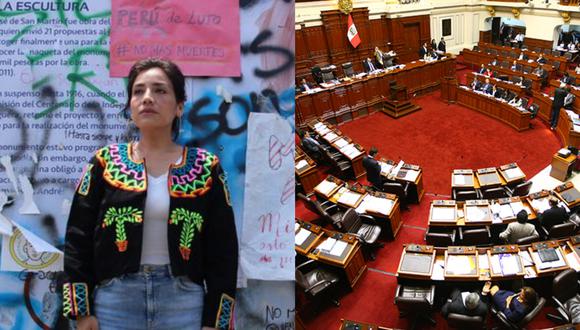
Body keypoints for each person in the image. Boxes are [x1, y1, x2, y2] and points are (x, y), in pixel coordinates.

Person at [62, 59, 238, 330]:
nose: (147, 98)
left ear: (179, 106)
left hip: (184, 302)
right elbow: (77, 238)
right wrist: (81, 311)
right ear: (130, 107)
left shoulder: (206, 167)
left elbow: (223, 248)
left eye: (160, 90)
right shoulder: (105, 163)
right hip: (115, 302)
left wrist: (216, 320)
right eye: (138, 91)